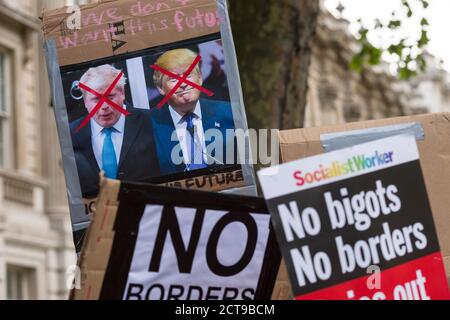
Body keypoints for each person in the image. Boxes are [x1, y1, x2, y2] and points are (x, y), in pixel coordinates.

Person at [70, 64, 160, 197]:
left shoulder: (153, 122)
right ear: (85, 101)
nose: (104, 106)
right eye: (96, 99)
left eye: (110, 97)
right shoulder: (70, 135)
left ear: (122, 93)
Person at [151, 48, 236, 176]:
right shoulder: (148, 125)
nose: (183, 84)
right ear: (160, 88)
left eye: (188, 75)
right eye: (173, 79)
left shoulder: (230, 112)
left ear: (200, 79)